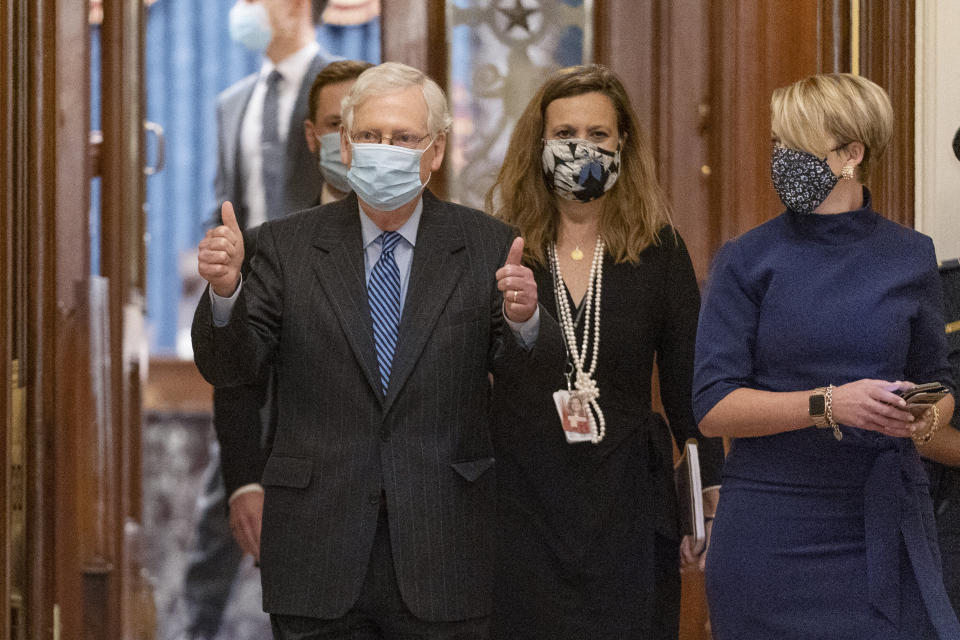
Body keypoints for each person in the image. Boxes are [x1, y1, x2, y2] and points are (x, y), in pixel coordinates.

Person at [193, 61, 557, 640]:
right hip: (317, 553)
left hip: (444, 549)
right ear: (346, 145)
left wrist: (524, 323)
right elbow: (231, 366)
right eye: (369, 136)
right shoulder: (285, 246)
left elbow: (528, 392)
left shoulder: (489, 245)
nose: (385, 150)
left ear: (435, 151)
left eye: (404, 138)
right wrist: (225, 292)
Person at [694, 73, 960, 639]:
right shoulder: (746, 259)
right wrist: (828, 404)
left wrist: (922, 416)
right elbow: (714, 405)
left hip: (880, 526)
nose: (779, 159)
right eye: (776, 144)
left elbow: (937, 384)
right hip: (769, 530)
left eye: (794, 146)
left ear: (851, 153)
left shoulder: (912, 256)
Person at [484, 64, 724, 639]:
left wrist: (707, 494)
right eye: (565, 135)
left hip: (629, 506)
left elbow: (689, 383)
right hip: (522, 504)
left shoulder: (658, 248)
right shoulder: (500, 245)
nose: (580, 148)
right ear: (539, 145)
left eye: (598, 135)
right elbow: (473, 370)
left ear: (622, 145)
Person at [179, 1, 336, 638]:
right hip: (250, 314)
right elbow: (228, 207)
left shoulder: (343, 91)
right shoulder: (232, 102)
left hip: (321, 316)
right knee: (231, 484)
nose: (244, 8)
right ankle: (193, 626)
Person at [222, 58, 373, 569]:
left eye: (363, 123)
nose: (350, 139)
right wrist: (244, 480)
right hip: (307, 511)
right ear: (312, 136)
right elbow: (237, 373)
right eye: (336, 125)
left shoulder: (455, 243)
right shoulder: (275, 249)